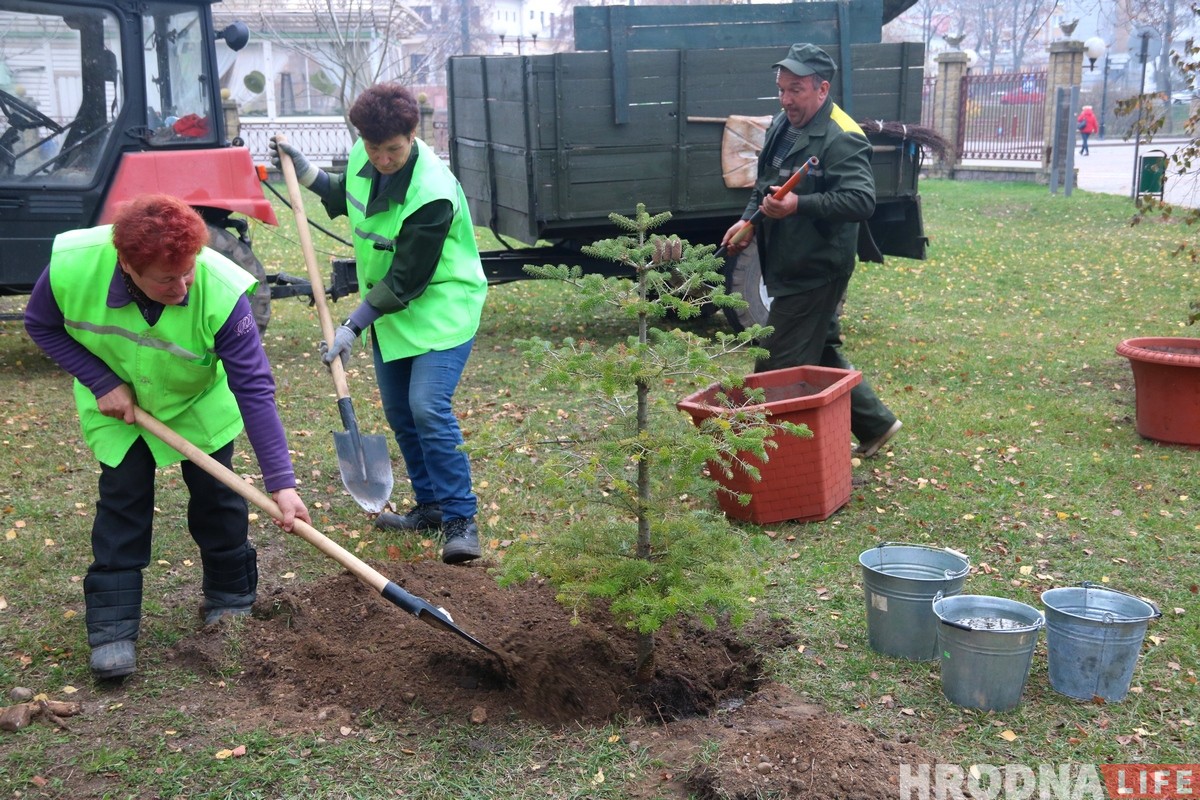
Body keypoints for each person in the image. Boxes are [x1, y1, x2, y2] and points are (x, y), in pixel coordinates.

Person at [24, 193, 311, 680]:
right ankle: (113, 630)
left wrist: (282, 483)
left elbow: (254, 388)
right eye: (166, 279)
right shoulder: (73, 267)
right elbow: (41, 326)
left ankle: (230, 598)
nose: (182, 287)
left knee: (218, 497)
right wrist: (100, 382)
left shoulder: (221, 291)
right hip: (122, 405)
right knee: (122, 501)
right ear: (127, 266)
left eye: (188, 270)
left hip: (197, 402)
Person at [270, 82, 488, 564]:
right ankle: (429, 506)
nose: (383, 159)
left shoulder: (431, 191)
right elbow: (345, 195)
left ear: (413, 135)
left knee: (427, 407)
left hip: (441, 306)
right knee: (400, 413)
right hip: (392, 312)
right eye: (374, 148)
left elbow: (408, 276)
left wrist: (353, 323)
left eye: (393, 149)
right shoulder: (363, 155)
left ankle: (460, 519)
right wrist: (304, 170)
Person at [720, 43, 901, 458]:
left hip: (818, 266)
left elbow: (861, 201)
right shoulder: (784, 124)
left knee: (774, 362)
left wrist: (799, 204)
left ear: (822, 88)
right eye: (782, 89)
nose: (786, 99)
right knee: (821, 351)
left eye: (795, 90)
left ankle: (756, 456)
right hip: (788, 260)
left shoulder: (843, 135)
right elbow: (766, 181)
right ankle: (877, 425)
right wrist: (750, 221)